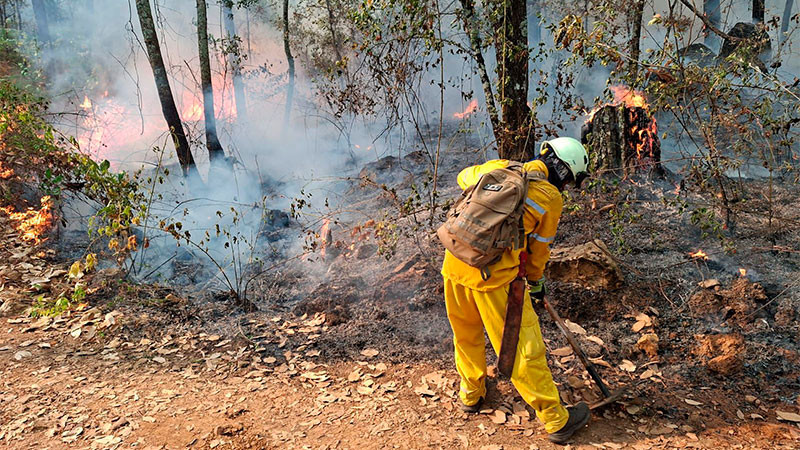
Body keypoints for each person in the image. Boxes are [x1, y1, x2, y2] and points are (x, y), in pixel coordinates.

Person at [441, 137, 591, 444]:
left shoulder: (499, 167)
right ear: (565, 173)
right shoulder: (549, 197)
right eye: (570, 181)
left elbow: (463, 177)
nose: (568, 187)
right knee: (524, 347)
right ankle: (556, 419)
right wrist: (536, 283)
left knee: (466, 335)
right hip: (494, 280)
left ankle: (471, 394)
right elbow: (539, 252)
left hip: (454, 265)